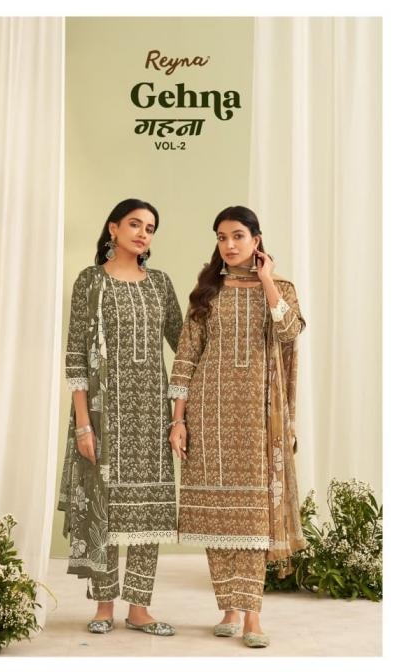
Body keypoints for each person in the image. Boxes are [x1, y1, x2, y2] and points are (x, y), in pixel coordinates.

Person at [168, 205, 306, 648]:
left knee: (252, 515)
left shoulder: (280, 289)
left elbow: (290, 332)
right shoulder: (208, 291)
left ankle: (252, 616)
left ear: (256, 240)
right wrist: (178, 420)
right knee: (218, 513)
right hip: (208, 412)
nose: (228, 245)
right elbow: (186, 356)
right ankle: (228, 607)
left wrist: (267, 280)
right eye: (222, 237)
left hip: (257, 415)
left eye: (238, 236)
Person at [58, 198, 183, 636]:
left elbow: (185, 345)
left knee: (148, 512)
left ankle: (140, 608)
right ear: (113, 228)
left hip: (151, 415)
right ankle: (104, 606)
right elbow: (76, 355)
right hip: (104, 414)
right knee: (106, 507)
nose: (143, 233)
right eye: (135, 224)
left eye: (150, 227)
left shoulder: (160, 284)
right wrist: (83, 424)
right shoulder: (90, 281)